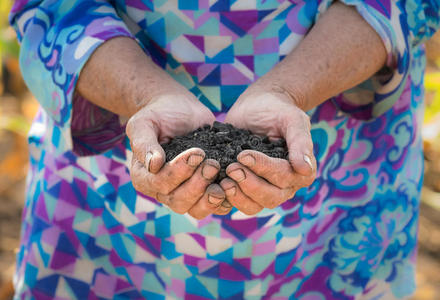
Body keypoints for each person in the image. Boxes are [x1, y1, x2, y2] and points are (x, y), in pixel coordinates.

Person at [8, 0, 440, 298]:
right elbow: (52, 7)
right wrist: (144, 95)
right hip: (110, 163)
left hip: (339, 172)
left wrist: (291, 88)